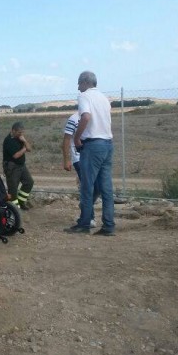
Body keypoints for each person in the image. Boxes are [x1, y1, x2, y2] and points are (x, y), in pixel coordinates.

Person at [64, 71, 115, 236]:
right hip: (107, 144)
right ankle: (108, 226)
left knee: (87, 186)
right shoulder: (104, 98)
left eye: (79, 83)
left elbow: (85, 117)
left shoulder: (85, 96)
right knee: (106, 188)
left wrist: (77, 138)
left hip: (92, 146)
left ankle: (84, 224)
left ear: (86, 82)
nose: (78, 88)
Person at [62, 115, 97, 228]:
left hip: (93, 156)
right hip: (79, 158)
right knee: (88, 187)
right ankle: (89, 218)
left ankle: (84, 206)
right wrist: (67, 159)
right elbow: (66, 138)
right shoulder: (74, 118)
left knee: (98, 187)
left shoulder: (94, 116)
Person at [2, 122, 34, 210]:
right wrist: (24, 148)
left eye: (22, 132)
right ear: (13, 130)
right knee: (13, 190)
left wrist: (24, 141)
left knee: (29, 182)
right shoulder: (8, 141)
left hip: (21, 165)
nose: (21, 134)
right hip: (12, 167)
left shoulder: (20, 138)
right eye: (19, 132)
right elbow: (16, 155)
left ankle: (21, 201)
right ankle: (14, 209)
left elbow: (30, 149)